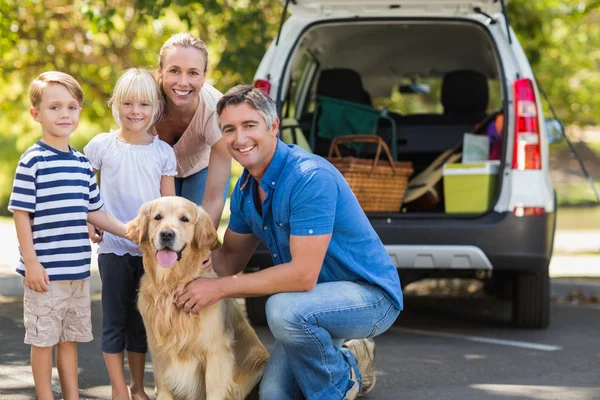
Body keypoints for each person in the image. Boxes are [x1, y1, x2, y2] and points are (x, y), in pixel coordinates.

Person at [175, 84, 403, 400]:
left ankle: (333, 388)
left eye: (249, 126)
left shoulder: (309, 178)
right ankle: (352, 360)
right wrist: (180, 269)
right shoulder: (244, 192)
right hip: (309, 305)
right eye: (229, 130)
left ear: (273, 126)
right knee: (273, 394)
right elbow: (228, 260)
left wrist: (219, 288)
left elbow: (302, 275)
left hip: (367, 297)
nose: (239, 139)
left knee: (282, 308)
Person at [8, 71, 129, 400]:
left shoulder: (81, 163)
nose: (65, 114)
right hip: (45, 275)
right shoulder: (33, 161)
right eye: (55, 107)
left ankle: (71, 397)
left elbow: (95, 212)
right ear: (36, 114)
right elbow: (21, 214)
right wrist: (31, 262)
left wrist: (132, 231)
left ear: (79, 112)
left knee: (69, 338)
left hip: (77, 274)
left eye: (72, 107)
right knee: (43, 340)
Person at [84, 68, 176, 400]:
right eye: (127, 103)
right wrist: (89, 220)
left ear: (156, 109)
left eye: (144, 105)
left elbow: (169, 206)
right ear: (115, 104)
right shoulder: (101, 146)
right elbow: (83, 190)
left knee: (141, 324)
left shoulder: (162, 152)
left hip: (150, 254)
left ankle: (138, 387)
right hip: (112, 248)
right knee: (114, 320)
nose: (135, 111)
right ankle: (119, 389)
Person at [153, 32, 231, 228]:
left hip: (200, 167)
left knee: (191, 232)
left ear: (204, 77)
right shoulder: (142, 103)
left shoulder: (215, 111)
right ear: (160, 71)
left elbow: (213, 199)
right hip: (155, 167)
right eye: (174, 70)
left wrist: (202, 245)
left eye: (193, 73)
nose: (183, 82)